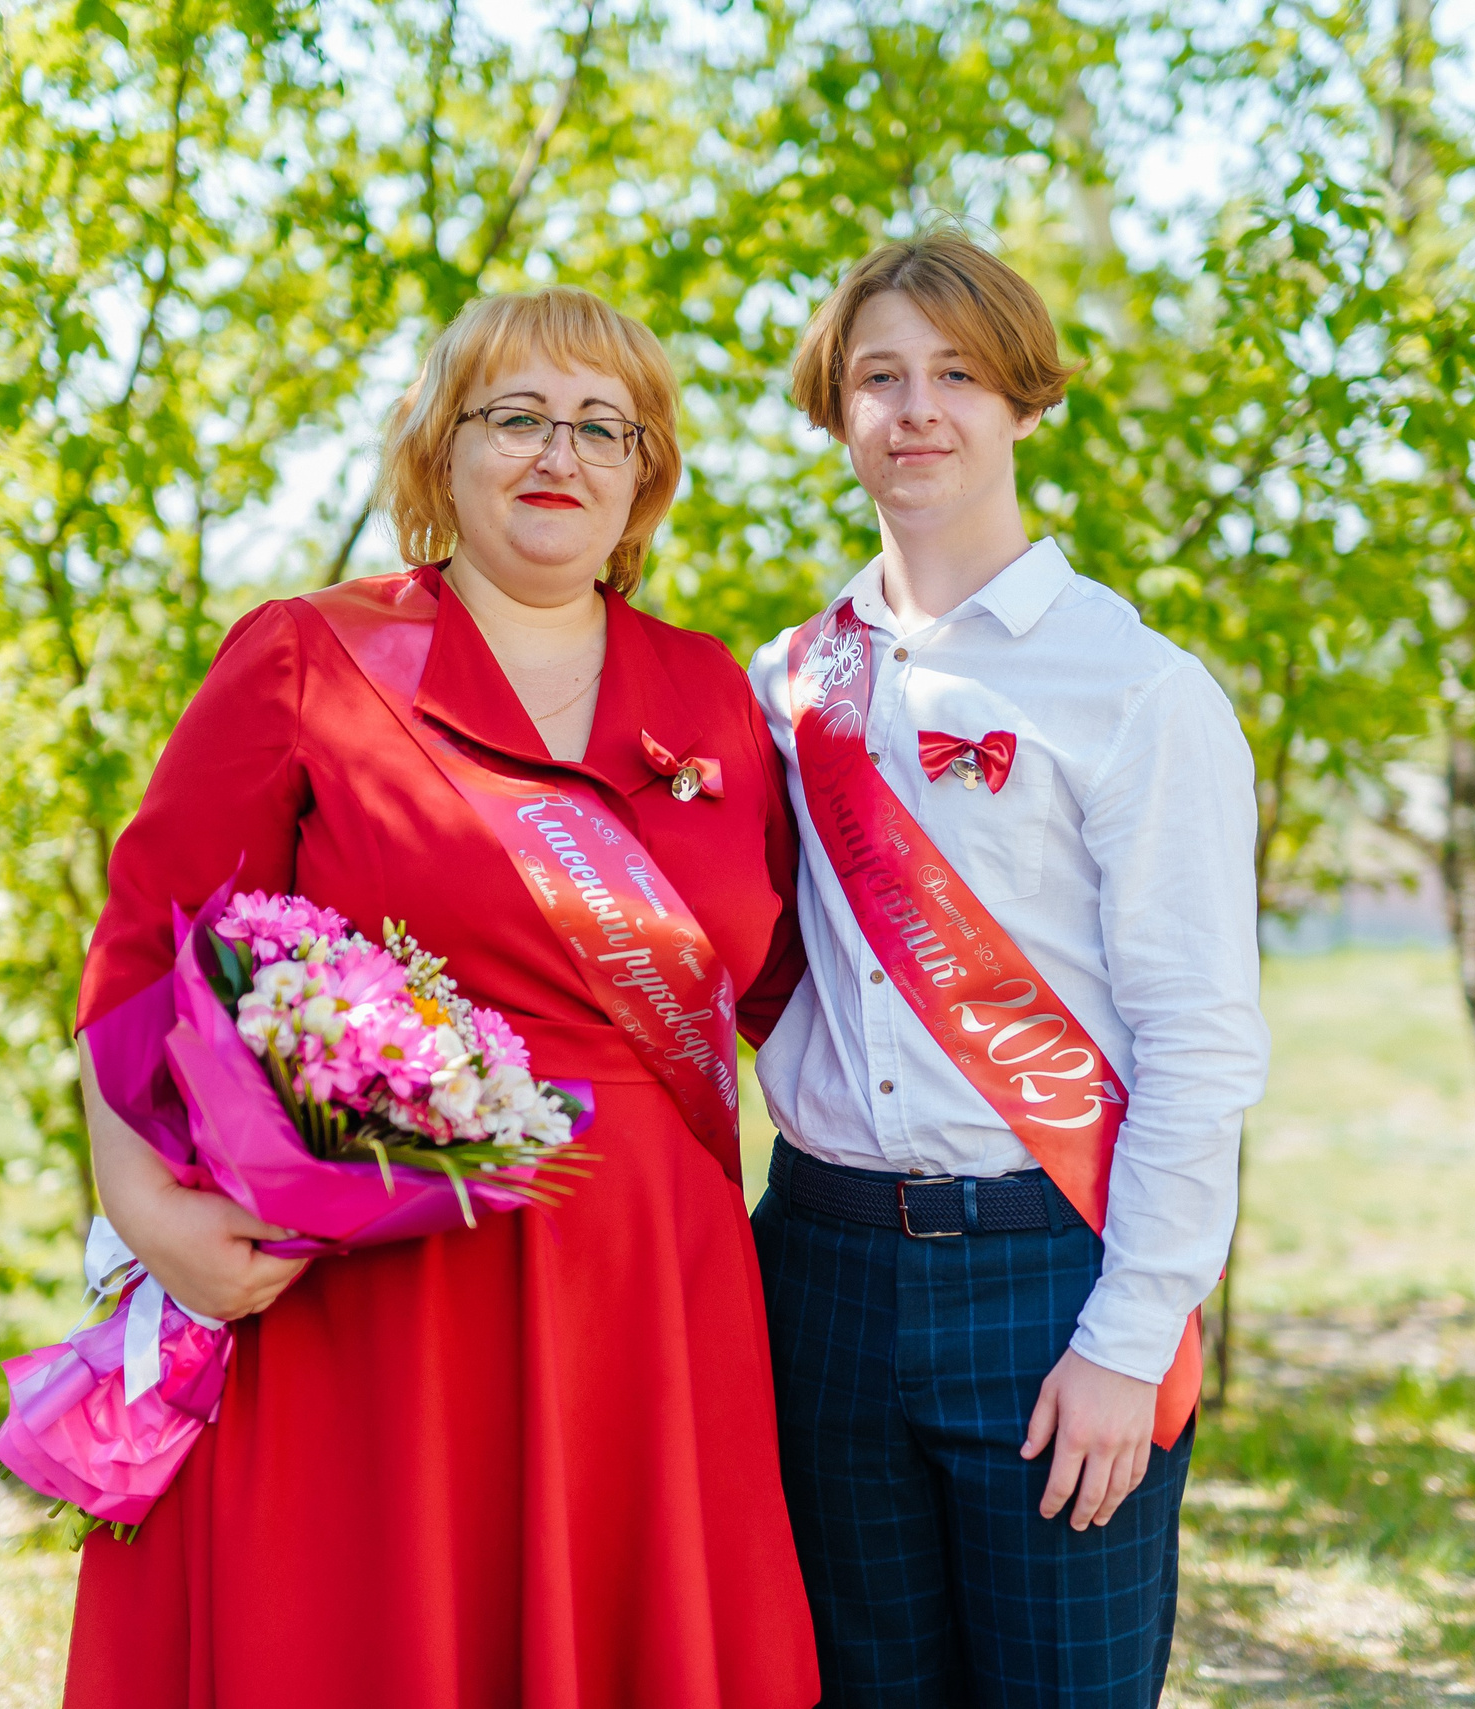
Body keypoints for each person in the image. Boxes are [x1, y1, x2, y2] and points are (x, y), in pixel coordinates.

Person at [63, 287, 820, 1709]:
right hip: (384, 1302)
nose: (563, 452)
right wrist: (154, 1221)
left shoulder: (716, 694)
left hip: (651, 1300)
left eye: (607, 425)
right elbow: (142, 959)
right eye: (518, 416)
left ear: (646, 475)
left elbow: (785, 986)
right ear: (441, 449)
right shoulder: (310, 656)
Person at [745, 228, 1270, 1707]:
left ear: (1026, 403)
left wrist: (1130, 1334)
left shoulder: (1136, 687)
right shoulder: (783, 687)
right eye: (880, 376)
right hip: (820, 1269)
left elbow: (1199, 1045)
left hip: (1055, 1274)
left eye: (958, 374)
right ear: (835, 411)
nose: (917, 410)